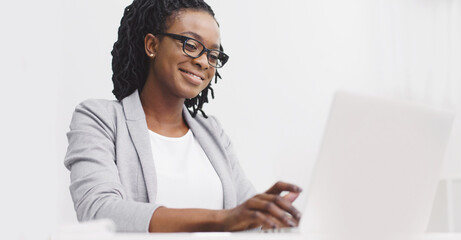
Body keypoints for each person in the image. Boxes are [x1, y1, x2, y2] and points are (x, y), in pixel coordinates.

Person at [64, 0, 302, 233]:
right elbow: (99, 210)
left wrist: (270, 215)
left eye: (213, 55)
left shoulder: (212, 132)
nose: (202, 62)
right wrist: (222, 219)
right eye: (190, 44)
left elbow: (244, 215)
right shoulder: (99, 119)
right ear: (152, 45)